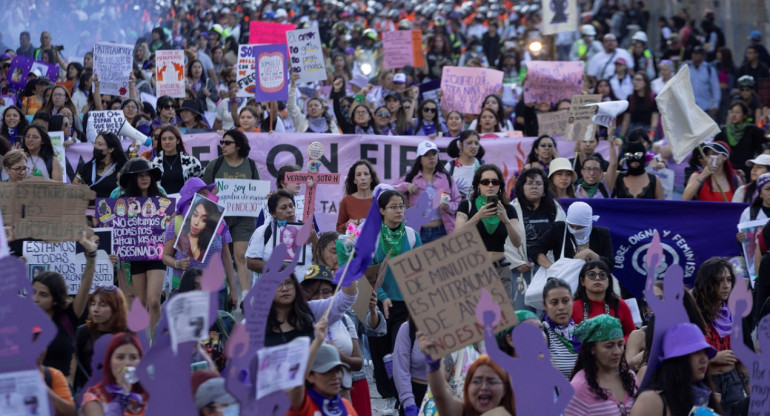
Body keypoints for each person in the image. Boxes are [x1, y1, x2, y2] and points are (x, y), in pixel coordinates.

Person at [364, 187, 422, 408]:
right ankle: (387, 398)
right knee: (380, 351)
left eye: (401, 206)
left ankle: (402, 397)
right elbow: (367, 272)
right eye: (393, 207)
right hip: (377, 304)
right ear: (381, 210)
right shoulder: (371, 236)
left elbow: (422, 269)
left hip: (407, 305)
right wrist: (382, 296)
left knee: (402, 352)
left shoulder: (412, 235)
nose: (399, 211)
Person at [110, 158, 167, 333]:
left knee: (154, 301)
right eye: (140, 176)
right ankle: (142, 341)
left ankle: (152, 341)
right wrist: (114, 253)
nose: (144, 178)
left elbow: (169, 228)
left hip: (157, 254)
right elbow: (115, 232)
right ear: (133, 179)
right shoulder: (121, 202)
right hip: (134, 257)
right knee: (140, 303)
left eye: (147, 175)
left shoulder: (161, 199)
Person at [32, 232, 98, 378]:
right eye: (33, 292)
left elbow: (86, 286)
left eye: (43, 295)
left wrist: (92, 255)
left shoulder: (67, 318)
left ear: (55, 299)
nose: (35, 298)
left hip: (61, 393)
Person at [202, 129, 258, 295]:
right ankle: (225, 294)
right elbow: (204, 192)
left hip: (244, 218)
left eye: (227, 143)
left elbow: (256, 189)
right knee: (219, 257)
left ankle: (246, 296)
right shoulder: (215, 165)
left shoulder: (250, 165)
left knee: (241, 256)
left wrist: (263, 195)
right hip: (219, 217)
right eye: (222, 142)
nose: (223, 146)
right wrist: (213, 194)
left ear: (238, 146)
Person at [692, 257, 750, 415]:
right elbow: (685, 358)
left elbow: (743, 358)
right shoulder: (695, 316)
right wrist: (714, 357)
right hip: (708, 382)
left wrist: (751, 391)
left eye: (729, 279)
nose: (726, 285)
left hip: (733, 382)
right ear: (708, 283)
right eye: (720, 280)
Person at [456, 164, 521, 300]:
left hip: (501, 269)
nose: (490, 185)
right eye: (485, 182)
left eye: (495, 182)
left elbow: (517, 242)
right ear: (478, 185)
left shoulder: (508, 209)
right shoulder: (467, 206)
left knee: (503, 318)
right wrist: (478, 216)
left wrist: (506, 220)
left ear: (500, 185)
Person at [300, 265, 363, 402]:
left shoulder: (345, 320)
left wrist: (342, 358)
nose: (320, 297)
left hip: (343, 396)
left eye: (326, 291)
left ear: (335, 293)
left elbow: (359, 364)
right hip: (310, 398)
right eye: (314, 292)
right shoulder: (298, 321)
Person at [506, 168, 567, 310]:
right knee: (521, 311)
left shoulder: (555, 208)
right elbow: (503, 240)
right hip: (520, 269)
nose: (534, 186)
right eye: (529, 183)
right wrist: (516, 262)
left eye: (539, 183)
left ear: (545, 189)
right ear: (521, 188)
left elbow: (562, 237)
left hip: (548, 267)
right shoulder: (511, 209)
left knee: (546, 310)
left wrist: (552, 264)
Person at [631, 323, 722, 416]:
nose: (704, 359)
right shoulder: (650, 401)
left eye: (705, 351)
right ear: (677, 359)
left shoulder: (704, 395)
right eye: (695, 352)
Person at [416, 336, 516, 416]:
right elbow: (440, 394)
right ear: (468, 386)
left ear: (504, 389)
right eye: (477, 381)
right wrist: (433, 365)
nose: (484, 387)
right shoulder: (462, 411)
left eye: (492, 381)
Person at [564, 315, 638, 416]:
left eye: (620, 344)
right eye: (609, 346)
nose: (617, 351)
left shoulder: (629, 377)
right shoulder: (579, 387)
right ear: (592, 349)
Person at [287, 317, 358, 415]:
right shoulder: (302, 405)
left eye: (338, 370)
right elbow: (296, 385)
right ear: (309, 376)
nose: (335, 376)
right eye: (327, 371)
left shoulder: (346, 406)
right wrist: (317, 341)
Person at [394, 141, 461, 243]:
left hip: (442, 231)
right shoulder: (411, 177)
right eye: (426, 155)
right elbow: (391, 188)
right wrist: (406, 186)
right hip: (417, 231)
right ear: (420, 159)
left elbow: (457, 200)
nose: (431, 157)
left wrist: (449, 206)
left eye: (434, 154)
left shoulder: (446, 178)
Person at [245, 190, 314, 280]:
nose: (289, 210)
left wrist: (315, 240)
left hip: (304, 289)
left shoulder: (305, 229)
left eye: (291, 206)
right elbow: (251, 263)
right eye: (283, 208)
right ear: (273, 213)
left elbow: (319, 258)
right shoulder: (263, 232)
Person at [74, 286, 129, 392]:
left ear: (116, 308)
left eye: (102, 305)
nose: (95, 309)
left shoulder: (127, 334)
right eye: (93, 304)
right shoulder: (82, 332)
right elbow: (76, 367)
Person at [81, 332, 148, 416]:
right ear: (109, 362)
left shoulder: (149, 393)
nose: (126, 363)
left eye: (133, 357)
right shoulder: (94, 397)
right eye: (120, 357)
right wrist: (122, 397)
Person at [532, 201, 614, 270]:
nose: (575, 230)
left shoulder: (601, 234)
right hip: (563, 282)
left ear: (589, 223)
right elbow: (535, 250)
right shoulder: (560, 229)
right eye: (571, 226)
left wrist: (591, 254)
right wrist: (552, 267)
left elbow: (610, 265)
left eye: (580, 227)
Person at [572, 260, 636, 339]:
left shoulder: (619, 304)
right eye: (592, 275)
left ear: (608, 281)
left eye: (602, 275)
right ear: (582, 281)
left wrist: (616, 343)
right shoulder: (572, 307)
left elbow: (632, 335)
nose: (597, 278)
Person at [541, 278, 581, 378]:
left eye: (566, 301)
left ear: (572, 301)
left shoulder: (583, 333)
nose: (561, 307)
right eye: (554, 303)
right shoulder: (540, 334)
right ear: (545, 305)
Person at [73, 132, 128, 199]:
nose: (95, 146)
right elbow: (75, 183)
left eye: (100, 144)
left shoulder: (122, 168)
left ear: (111, 149)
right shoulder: (88, 167)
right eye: (95, 143)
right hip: (89, 208)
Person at [150, 125, 202, 194]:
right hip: (162, 203)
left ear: (178, 141)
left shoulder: (192, 162)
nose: (167, 142)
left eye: (171, 139)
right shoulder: (154, 164)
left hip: (185, 203)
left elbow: (201, 186)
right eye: (164, 139)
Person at [723, 101, 766, 178]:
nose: (734, 115)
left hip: (748, 170)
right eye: (732, 112)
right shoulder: (724, 132)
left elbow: (763, 143)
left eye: (737, 112)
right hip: (729, 171)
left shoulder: (753, 130)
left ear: (744, 115)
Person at [337, 160, 380, 233]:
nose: (363, 178)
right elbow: (338, 228)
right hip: (354, 243)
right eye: (359, 175)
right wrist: (347, 225)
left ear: (371, 178)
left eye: (366, 174)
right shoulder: (346, 201)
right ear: (354, 180)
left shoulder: (380, 198)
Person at [445, 130, 485, 199]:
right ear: (461, 145)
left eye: (476, 143)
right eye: (469, 143)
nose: (473, 146)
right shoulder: (450, 166)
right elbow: (442, 190)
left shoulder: (483, 166)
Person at [620, 73, 658, 138]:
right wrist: (621, 136)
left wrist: (651, 135)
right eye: (634, 80)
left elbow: (654, 120)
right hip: (632, 130)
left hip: (647, 130)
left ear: (645, 82)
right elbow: (626, 119)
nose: (635, 82)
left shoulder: (653, 97)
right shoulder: (630, 98)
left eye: (638, 80)